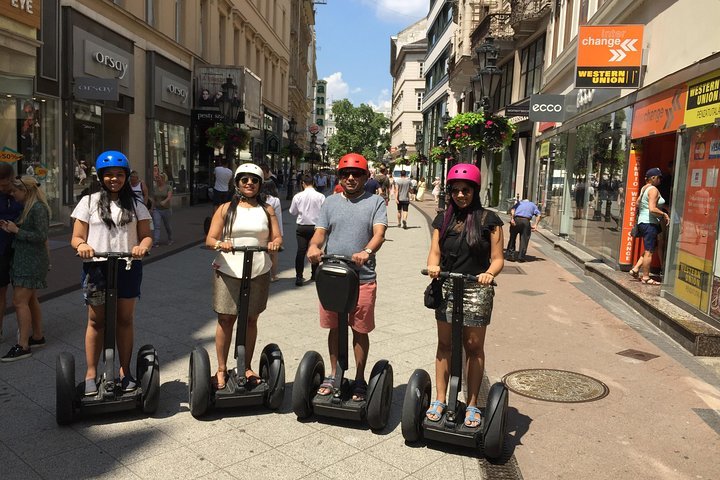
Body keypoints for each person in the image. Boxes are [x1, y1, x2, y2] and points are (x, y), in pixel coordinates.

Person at [425, 163, 504, 428]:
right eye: (456, 190)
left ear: (475, 190)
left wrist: (489, 274)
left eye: (466, 190)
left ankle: (472, 403)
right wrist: (433, 267)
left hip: (477, 287)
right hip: (447, 285)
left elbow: (497, 259)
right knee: (445, 344)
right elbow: (435, 251)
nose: (460, 195)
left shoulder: (489, 220)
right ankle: (439, 399)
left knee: (473, 347)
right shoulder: (443, 219)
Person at [70, 150, 153, 395]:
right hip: (97, 268)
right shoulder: (88, 202)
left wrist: (142, 247)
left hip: (127, 266)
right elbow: (75, 237)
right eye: (109, 175)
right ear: (101, 176)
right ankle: (91, 373)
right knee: (96, 321)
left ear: (126, 177)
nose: (114, 179)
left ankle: (124, 372)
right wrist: (82, 245)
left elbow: (147, 235)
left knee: (124, 320)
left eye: (119, 174)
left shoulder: (137, 204)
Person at [307, 153, 387, 401]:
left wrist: (366, 251)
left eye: (356, 174)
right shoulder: (330, 202)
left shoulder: (376, 202)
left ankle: (361, 378)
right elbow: (320, 233)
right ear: (339, 176)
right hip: (333, 275)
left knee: (359, 329)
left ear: (365, 177)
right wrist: (313, 247)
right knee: (334, 327)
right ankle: (334, 374)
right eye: (345, 174)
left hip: (362, 276)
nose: (350, 178)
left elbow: (379, 234)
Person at [206, 163, 282, 389]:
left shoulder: (267, 209)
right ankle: (220, 369)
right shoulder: (225, 208)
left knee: (250, 319)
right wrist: (222, 243)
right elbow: (210, 239)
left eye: (254, 180)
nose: (249, 183)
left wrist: (275, 243)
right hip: (229, 268)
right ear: (237, 183)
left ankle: (246, 366)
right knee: (226, 319)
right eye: (245, 179)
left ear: (260, 184)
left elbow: (277, 237)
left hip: (258, 268)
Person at [0, 176, 50, 362]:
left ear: (26, 191)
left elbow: (41, 236)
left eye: (15, 191)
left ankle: (23, 345)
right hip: (26, 259)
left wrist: (16, 231)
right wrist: (13, 227)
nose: (12, 195)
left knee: (19, 301)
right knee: (29, 300)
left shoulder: (38, 208)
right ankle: (37, 336)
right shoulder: (31, 208)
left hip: (31, 261)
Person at [628, 167, 669, 285]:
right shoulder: (653, 190)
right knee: (649, 251)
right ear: (653, 178)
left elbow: (637, 203)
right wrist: (664, 214)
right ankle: (646, 277)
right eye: (659, 177)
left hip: (643, 221)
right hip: (649, 223)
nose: (660, 180)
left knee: (650, 249)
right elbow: (652, 209)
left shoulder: (644, 188)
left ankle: (636, 269)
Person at [289, 174, 325, 286]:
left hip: (302, 227)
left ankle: (299, 276)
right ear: (313, 183)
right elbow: (325, 212)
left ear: (303, 183)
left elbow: (292, 212)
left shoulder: (298, 196)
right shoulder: (321, 196)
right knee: (315, 250)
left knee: (300, 252)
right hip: (316, 227)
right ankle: (314, 274)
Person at [0, 164, 22, 342]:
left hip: (19, 250)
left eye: (5, 185)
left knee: (23, 296)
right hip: (1, 250)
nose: (2, 188)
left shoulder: (21, 193)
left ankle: (26, 331)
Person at [260, 180, 283, 282]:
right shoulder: (275, 200)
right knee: (273, 254)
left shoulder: (257, 198)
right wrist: (280, 234)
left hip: (260, 229)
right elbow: (278, 217)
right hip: (272, 230)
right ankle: (273, 275)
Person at [506, 198, 541, 262]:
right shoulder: (533, 205)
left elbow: (512, 210)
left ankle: (511, 255)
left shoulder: (519, 204)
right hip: (526, 221)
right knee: (524, 239)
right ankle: (521, 256)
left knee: (512, 238)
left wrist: (512, 219)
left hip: (516, 220)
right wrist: (535, 225)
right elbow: (538, 215)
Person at [151, 172, 173, 247]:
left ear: (163, 179)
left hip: (166, 209)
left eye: (158, 178)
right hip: (157, 209)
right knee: (157, 225)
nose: (157, 179)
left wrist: (165, 201)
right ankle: (156, 241)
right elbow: (154, 199)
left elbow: (169, 196)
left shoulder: (168, 187)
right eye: (156, 178)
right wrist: (152, 208)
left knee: (167, 226)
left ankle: (170, 239)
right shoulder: (155, 187)